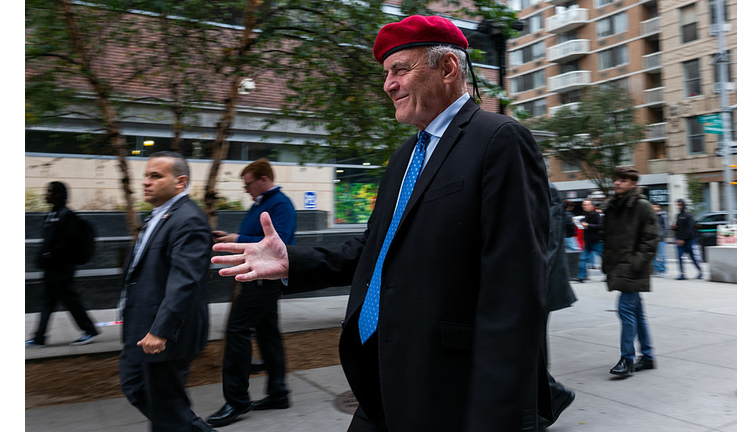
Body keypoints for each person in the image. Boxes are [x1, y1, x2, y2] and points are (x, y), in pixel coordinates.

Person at [212, 15, 551, 432]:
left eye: (400, 70)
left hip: (452, 387)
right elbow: (373, 249)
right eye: (386, 74)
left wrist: (500, 413)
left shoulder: (500, 139)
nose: (388, 85)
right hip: (382, 373)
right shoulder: (404, 157)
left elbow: (516, 284)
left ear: (448, 68)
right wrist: (291, 262)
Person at [118, 151, 215, 431]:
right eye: (146, 176)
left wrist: (161, 331)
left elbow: (185, 281)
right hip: (141, 326)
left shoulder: (189, 219)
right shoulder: (160, 216)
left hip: (165, 332)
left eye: (155, 176)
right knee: (136, 386)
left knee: (166, 408)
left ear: (180, 182)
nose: (146, 182)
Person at [206, 159, 296, 428]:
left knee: (237, 331)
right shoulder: (261, 203)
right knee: (268, 333)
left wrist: (237, 239)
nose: (246, 190)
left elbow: (280, 242)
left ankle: (236, 400)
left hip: (265, 280)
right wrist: (233, 237)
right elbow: (255, 237)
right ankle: (278, 394)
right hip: (259, 278)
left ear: (263, 179)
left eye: (248, 184)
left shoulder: (280, 204)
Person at [26, 181, 100, 347]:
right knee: (48, 301)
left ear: (57, 195)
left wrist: (49, 255)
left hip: (63, 268)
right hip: (51, 268)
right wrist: (43, 257)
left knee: (70, 300)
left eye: (49, 191)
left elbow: (67, 242)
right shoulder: (52, 214)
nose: (46, 194)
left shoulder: (67, 215)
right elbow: (48, 241)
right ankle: (39, 337)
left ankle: (90, 330)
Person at [601, 167, 658, 378]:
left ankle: (627, 359)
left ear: (633, 184)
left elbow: (650, 241)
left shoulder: (642, 206)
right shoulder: (613, 206)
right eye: (616, 179)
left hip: (633, 269)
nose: (617, 183)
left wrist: (634, 264)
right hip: (619, 266)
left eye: (623, 180)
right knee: (636, 313)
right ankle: (648, 356)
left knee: (625, 309)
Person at [538, 183, 578, 430]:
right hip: (532, 282)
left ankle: (552, 396)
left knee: (533, 347)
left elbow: (551, 240)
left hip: (541, 284)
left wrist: (537, 283)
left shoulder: (547, 189)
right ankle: (548, 398)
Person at [671, 198, 703, 280]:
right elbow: (679, 228)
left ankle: (700, 271)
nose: (678, 206)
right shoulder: (678, 216)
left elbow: (689, 229)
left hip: (689, 240)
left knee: (693, 257)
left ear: (683, 205)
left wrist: (683, 239)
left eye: (680, 205)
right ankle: (682, 274)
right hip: (680, 240)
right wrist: (674, 228)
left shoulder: (688, 215)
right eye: (677, 205)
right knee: (679, 257)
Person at [576, 199, 603, 282]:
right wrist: (581, 221)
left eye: (586, 205)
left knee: (604, 258)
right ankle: (581, 276)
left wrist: (588, 225)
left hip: (596, 240)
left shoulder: (596, 215)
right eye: (583, 205)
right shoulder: (586, 215)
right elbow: (583, 220)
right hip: (588, 241)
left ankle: (608, 274)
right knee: (583, 258)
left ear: (591, 206)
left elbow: (599, 226)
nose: (584, 206)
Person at [652, 203, 670, 277]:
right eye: (653, 207)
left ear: (658, 207)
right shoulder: (652, 215)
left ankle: (663, 271)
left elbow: (666, 227)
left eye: (655, 207)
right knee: (653, 255)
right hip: (653, 238)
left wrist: (662, 236)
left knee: (661, 255)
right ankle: (656, 270)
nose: (654, 208)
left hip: (660, 239)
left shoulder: (663, 215)